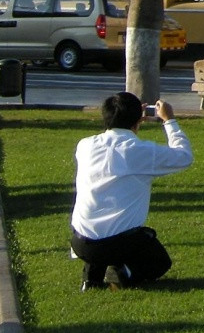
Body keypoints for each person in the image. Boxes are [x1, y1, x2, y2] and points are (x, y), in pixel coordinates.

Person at [71, 92, 192, 291]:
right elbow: (184, 156)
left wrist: (132, 122)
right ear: (138, 120)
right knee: (159, 261)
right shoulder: (140, 150)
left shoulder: (84, 145)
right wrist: (169, 120)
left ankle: (91, 280)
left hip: (81, 242)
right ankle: (120, 275)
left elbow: (113, 151)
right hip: (117, 244)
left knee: (100, 219)